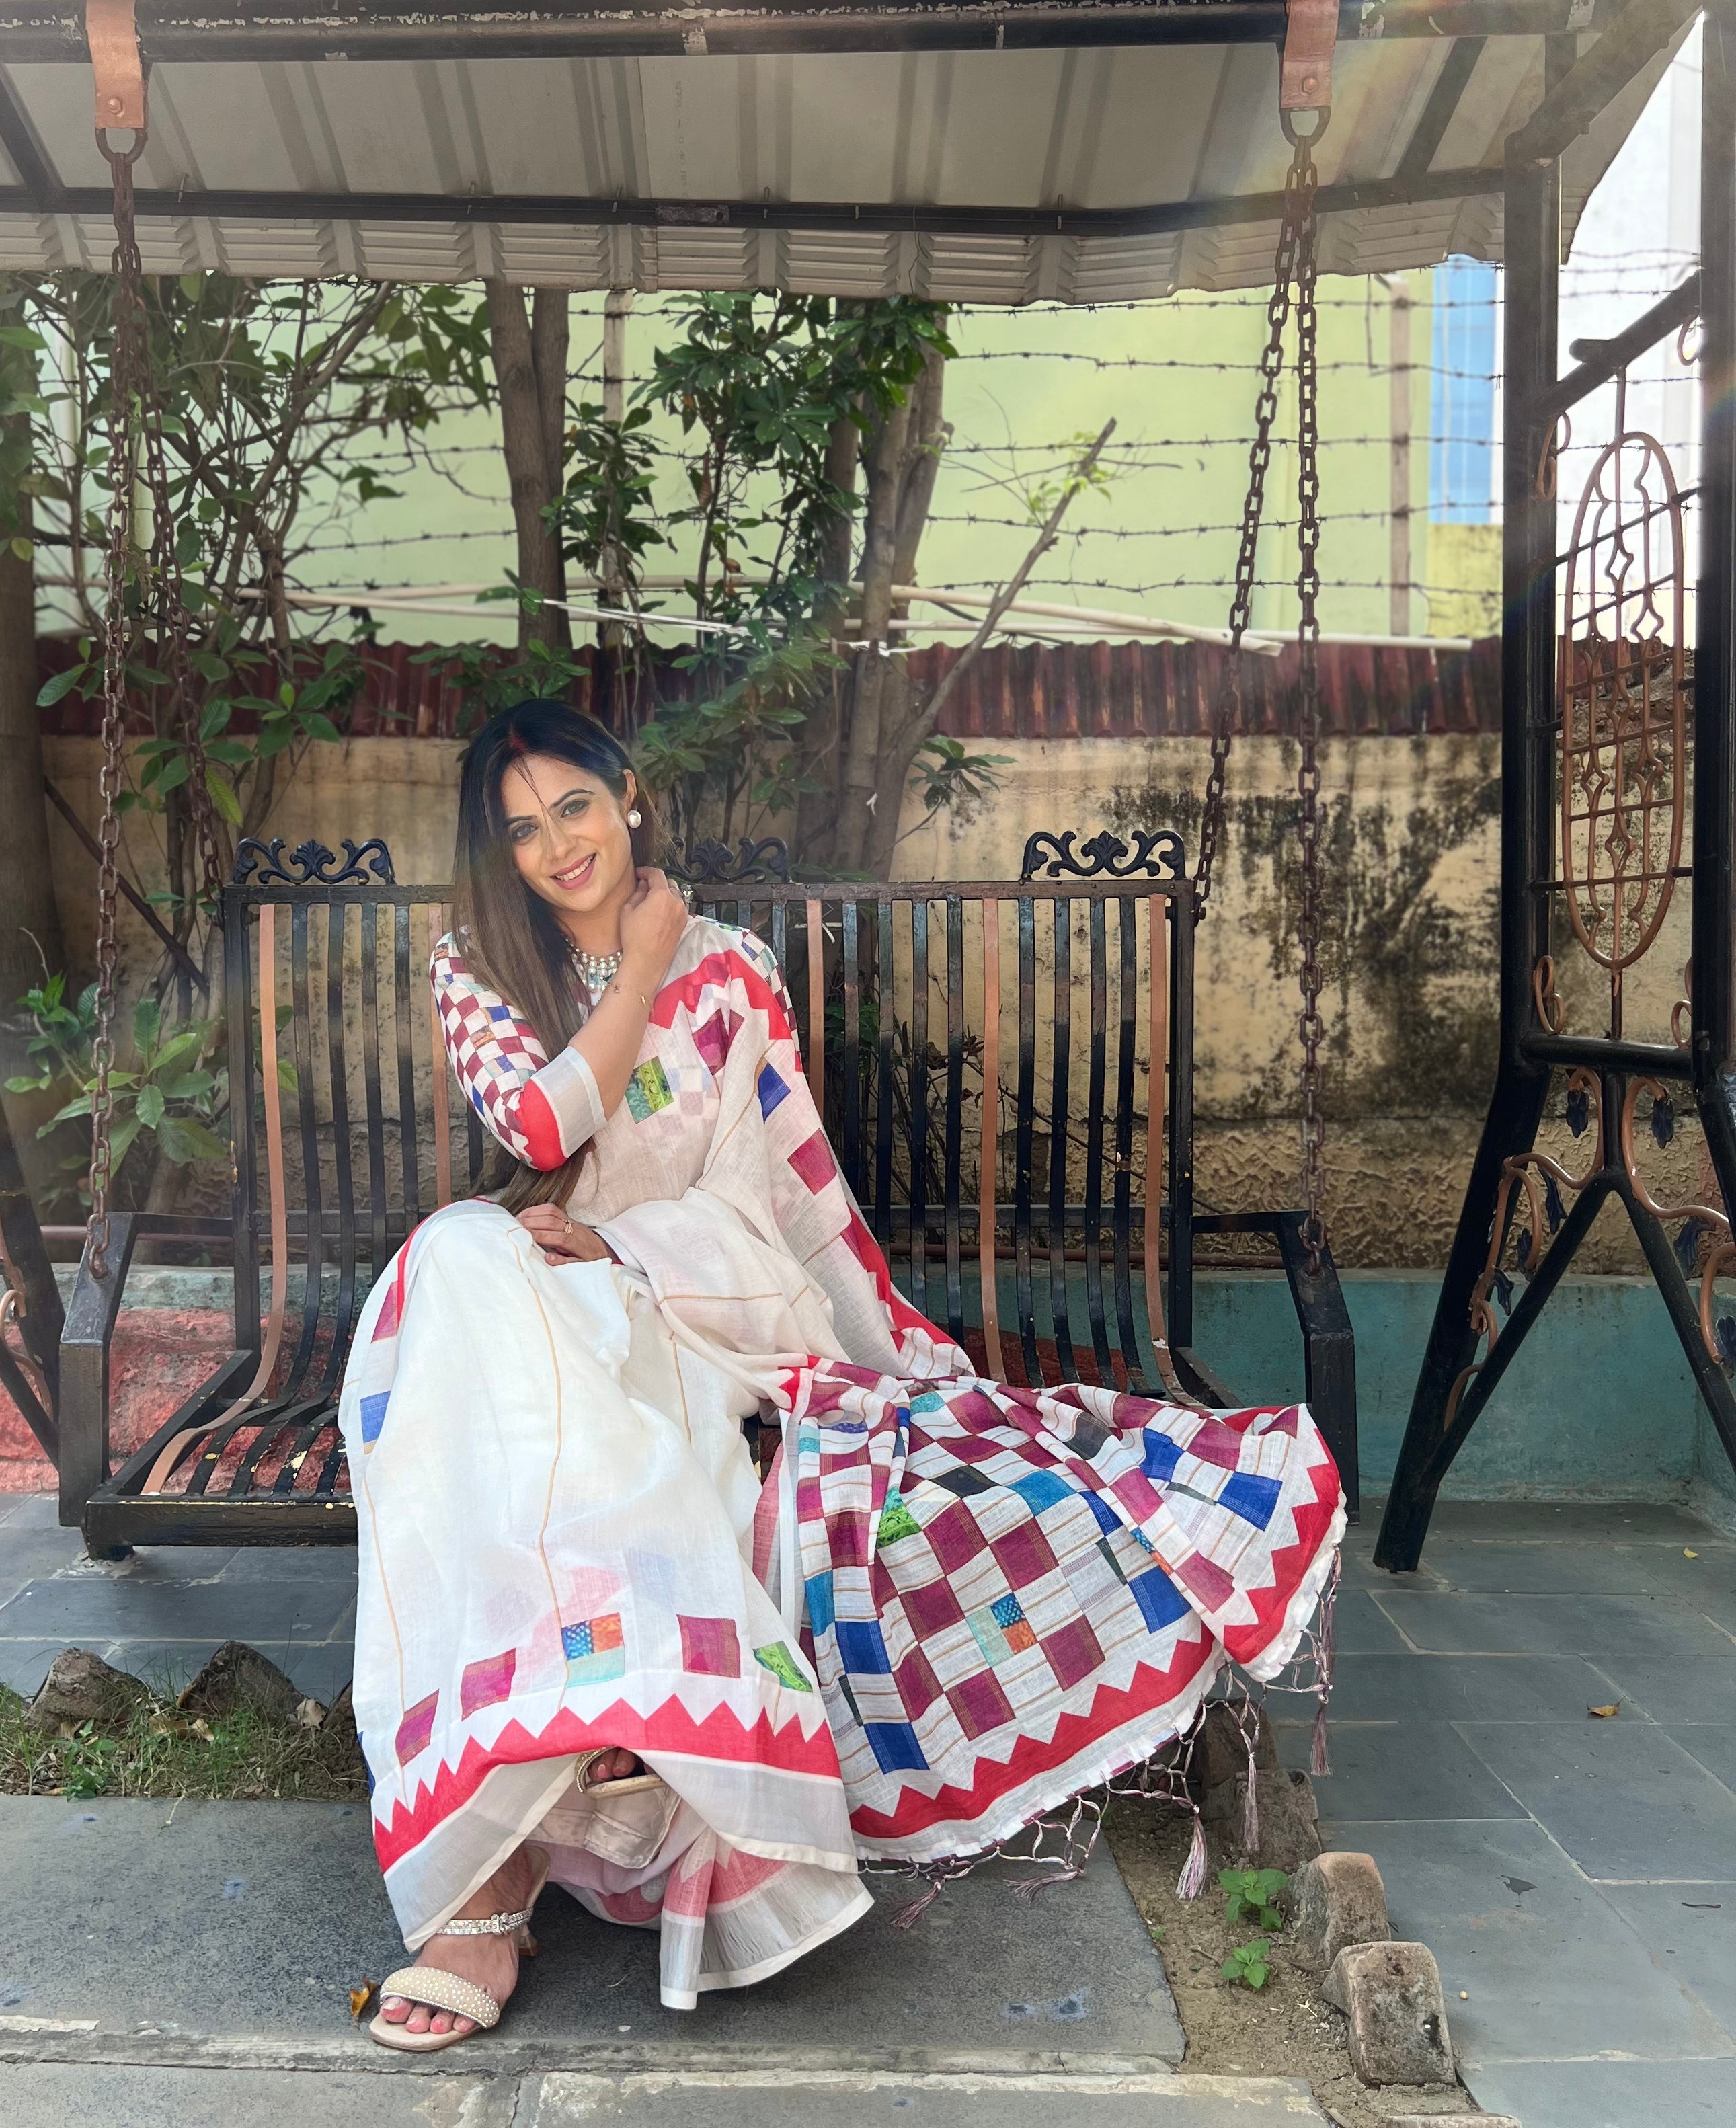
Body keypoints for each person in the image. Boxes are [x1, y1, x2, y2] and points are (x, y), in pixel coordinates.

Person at [339, 700, 1342, 2049]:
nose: (557, 846)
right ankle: (514, 1833)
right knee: (460, 1255)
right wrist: (634, 966)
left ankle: (517, 1845)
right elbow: (535, 1122)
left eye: (574, 806)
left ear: (628, 795)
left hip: (684, 1316)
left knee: (586, 1378)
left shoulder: (737, 975)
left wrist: (624, 1252)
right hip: (533, 1310)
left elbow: (771, 1213)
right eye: (521, 830)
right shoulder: (476, 969)